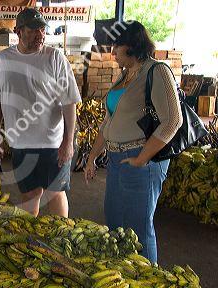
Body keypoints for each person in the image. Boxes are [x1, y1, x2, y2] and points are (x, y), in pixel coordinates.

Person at [84, 21, 183, 263]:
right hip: (117, 161)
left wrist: (142, 158)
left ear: (129, 45)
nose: (112, 54)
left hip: (142, 161)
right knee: (115, 221)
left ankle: (149, 277)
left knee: (139, 227)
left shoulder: (156, 72)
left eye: (115, 48)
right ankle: (124, 273)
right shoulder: (125, 76)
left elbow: (172, 121)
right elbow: (107, 123)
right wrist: (91, 157)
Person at [0, 8, 81, 217]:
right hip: (20, 144)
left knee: (55, 193)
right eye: (34, 30)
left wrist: (68, 141)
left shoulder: (55, 58)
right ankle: (31, 241)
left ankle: (61, 237)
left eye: (42, 29)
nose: (40, 34)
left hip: (53, 144)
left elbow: (69, 102)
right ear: (19, 31)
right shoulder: (2, 60)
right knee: (30, 194)